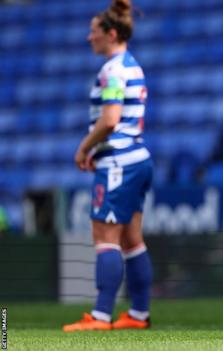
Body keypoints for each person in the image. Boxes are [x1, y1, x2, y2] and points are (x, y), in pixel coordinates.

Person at [63, 0, 153, 332]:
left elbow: (111, 119)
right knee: (132, 240)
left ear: (111, 33)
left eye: (94, 31)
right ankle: (138, 315)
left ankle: (101, 316)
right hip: (137, 158)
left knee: (105, 236)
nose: (89, 38)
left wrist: (84, 147)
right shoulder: (133, 65)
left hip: (119, 162)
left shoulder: (113, 70)